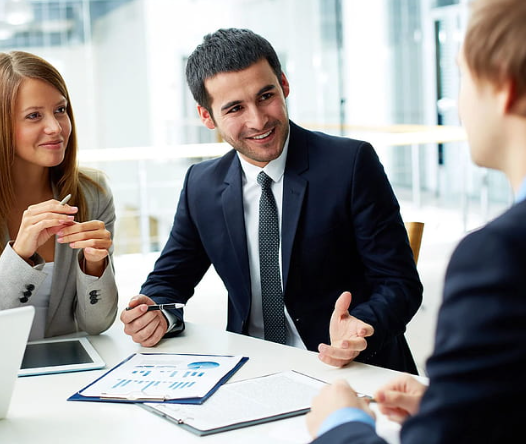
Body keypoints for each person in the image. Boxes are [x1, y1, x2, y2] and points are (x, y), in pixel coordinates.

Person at [120, 28, 422, 373]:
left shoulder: (351, 165)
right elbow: (169, 281)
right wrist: (156, 313)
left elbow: (399, 284)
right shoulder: (201, 185)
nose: (258, 120)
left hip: (349, 367)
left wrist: (362, 327)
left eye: (266, 96)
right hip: (251, 367)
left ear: (284, 85)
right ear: (207, 117)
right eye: (235, 108)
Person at [306, 0, 526, 441]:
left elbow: (398, 284)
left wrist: (339, 422)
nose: (456, 101)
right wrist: (458, 405)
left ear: (506, 87)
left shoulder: (499, 257)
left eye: (462, 75)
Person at [0, 51, 118, 340]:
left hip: (72, 371)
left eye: (60, 110)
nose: (55, 128)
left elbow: (97, 324)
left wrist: (95, 264)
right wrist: (19, 255)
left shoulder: (93, 192)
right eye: (34, 116)